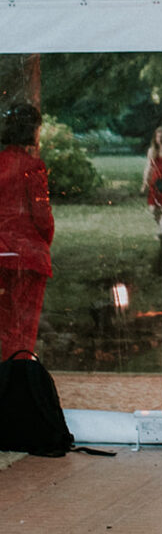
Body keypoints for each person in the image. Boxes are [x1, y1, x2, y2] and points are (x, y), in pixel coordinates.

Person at [0, 104, 54, 358]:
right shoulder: (32, 166)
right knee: (22, 330)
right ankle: (17, 383)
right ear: (32, 130)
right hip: (27, 254)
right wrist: (43, 244)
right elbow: (42, 217)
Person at [142, 125, 162, 263]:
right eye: (158, 136)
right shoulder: (152, 151)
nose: (161, 139)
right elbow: (148, 166)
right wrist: (145, 182)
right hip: (155, 183)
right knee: (153, 209)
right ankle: (161, 227)